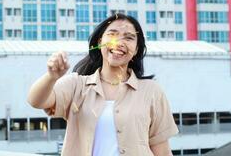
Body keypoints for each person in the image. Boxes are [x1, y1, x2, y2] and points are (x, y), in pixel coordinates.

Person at [28, 13, 179, 156]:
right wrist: (51, 77)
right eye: (112, 34)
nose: (119, 42)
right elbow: (36, 101)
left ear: (136, 49)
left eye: (129, 38)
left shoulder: (151, 91)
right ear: (100, 42)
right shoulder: (76, 85)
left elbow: (163, 151)